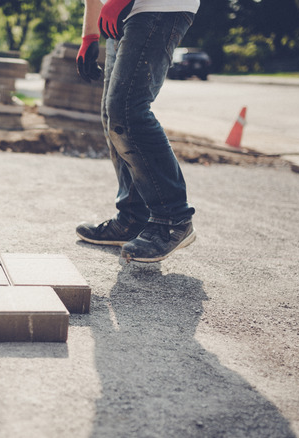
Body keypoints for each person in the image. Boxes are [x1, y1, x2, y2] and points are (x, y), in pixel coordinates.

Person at [75, 0, 199, 262]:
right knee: (113, 115)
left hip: (158, 7)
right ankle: (133, 217)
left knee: (128, 110)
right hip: (122, 14)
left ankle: (172, 218)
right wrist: (89, 36)